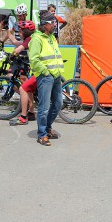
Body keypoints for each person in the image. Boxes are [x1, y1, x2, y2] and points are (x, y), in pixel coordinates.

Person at [29, 10, 64, 146]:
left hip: (55, 76)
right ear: (44, 24)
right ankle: (42, 134)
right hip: (45, 76)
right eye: (52, 22)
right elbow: (34, 59)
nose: (54, 25)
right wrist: (45, 72)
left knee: (58, 103)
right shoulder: (36, 39)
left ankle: (47, 127)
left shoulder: (52, 37)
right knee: (44, 107)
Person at [7, 20, 37, 126]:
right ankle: (31, 112)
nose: (19, 33)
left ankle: (23, 117)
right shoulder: (34, 37)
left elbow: (18, 49)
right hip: (44, 68)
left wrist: (11, 55)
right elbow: (17, 43)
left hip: (41, 70)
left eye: (20, 31)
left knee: (23, 88)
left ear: (24, 32)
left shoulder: (29, 39)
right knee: (29, 88)